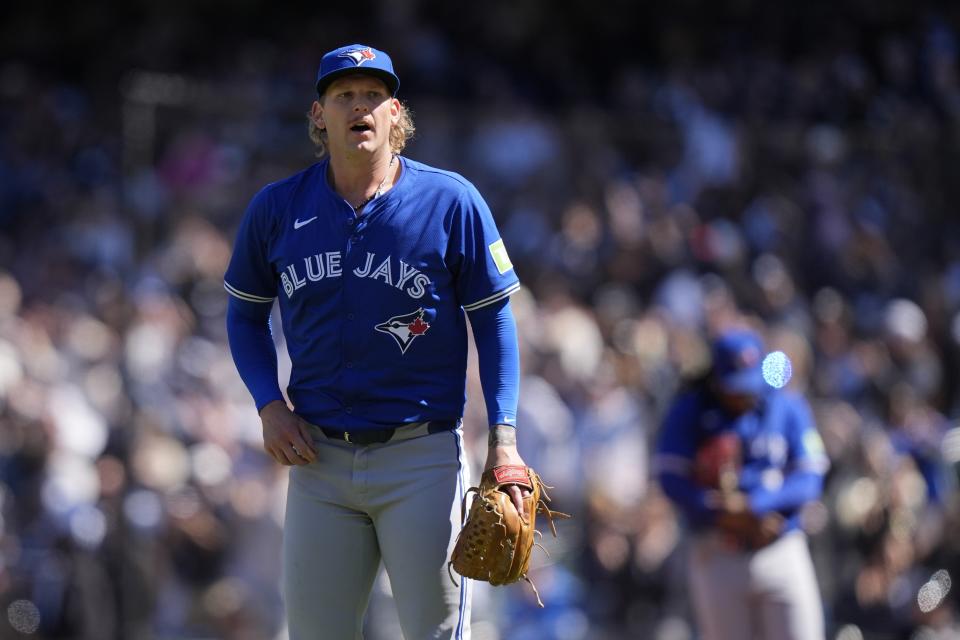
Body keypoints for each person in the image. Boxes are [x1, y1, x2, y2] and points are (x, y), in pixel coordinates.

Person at [223, 43, 528, 640]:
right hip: (318, 461)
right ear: (319, 114)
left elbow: (495, 322)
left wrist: (505, 440)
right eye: (344, 96)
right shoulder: (278, 208)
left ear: (396, 113)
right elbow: (244, 315)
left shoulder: (450, 202)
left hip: (422, 459)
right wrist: (267, 405)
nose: (359, 106)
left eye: (373, 95)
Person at [654, 328, 829, 640]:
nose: (743, 394)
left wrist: (753, 506)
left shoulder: (786, 405)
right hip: (718, 551)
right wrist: (718, 510)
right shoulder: (693, 409)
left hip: (779, 547)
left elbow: (810, 478)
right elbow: (670, 477)